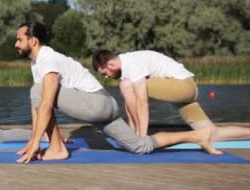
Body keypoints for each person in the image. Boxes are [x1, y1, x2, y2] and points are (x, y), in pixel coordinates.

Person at [14, 23, 221, 163]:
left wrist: (36, 142)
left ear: (33, 41)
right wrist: (33, 139)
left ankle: (57, 149)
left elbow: (46, 102)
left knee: (38, 92)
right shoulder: (37, 62)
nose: (16, 44)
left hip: (96, 105)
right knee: (140, 147)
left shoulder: (47, 59)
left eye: (19, 39)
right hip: (105, 105)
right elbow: (38, 103)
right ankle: (198, 136)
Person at [92, 49, 250, 141]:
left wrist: (141, 137)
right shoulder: (128, 65)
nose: (106, 77)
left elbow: (142, 104)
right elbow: (133, 104)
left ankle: (137, 134)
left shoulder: (132, 64)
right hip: (182, 90)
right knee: (212, 134)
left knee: (127, 85)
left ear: (111, 63)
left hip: (184, 87)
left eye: (104, 72)